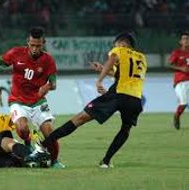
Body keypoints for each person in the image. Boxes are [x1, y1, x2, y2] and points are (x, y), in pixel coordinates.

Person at [41, 32, 147, 168]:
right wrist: (103, 69)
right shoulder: (142, 58)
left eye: (115, 44)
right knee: (125, 129)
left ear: (122, 43)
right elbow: (123, 73)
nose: (114, 47)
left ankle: (43, 145)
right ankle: (106, 161)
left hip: (117, 95)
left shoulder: (119, 50)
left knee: (80, 118)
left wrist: (99, 80)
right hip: (135, 99)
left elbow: (112, 59)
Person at [0, 26, 64, 168]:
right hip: (18, 100)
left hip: (38, 101)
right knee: (22, 128)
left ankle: (55, 161)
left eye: (38, 46)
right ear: (28, 42)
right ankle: (28, 144)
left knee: (50, 132)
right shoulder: (16, 53)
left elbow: (54, 83)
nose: (34, 49)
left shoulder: (48, 60)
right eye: (32, 45)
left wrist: (47, 87)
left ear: (43, 43)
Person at [168, 31, 189, 130]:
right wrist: (181, 69)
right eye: (184, 39)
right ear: (180, 41)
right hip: (181, 81)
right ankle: (177, 116)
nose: (186, 41)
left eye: (188, 39)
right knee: (184, 103)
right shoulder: (177, 52)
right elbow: (169, 65)